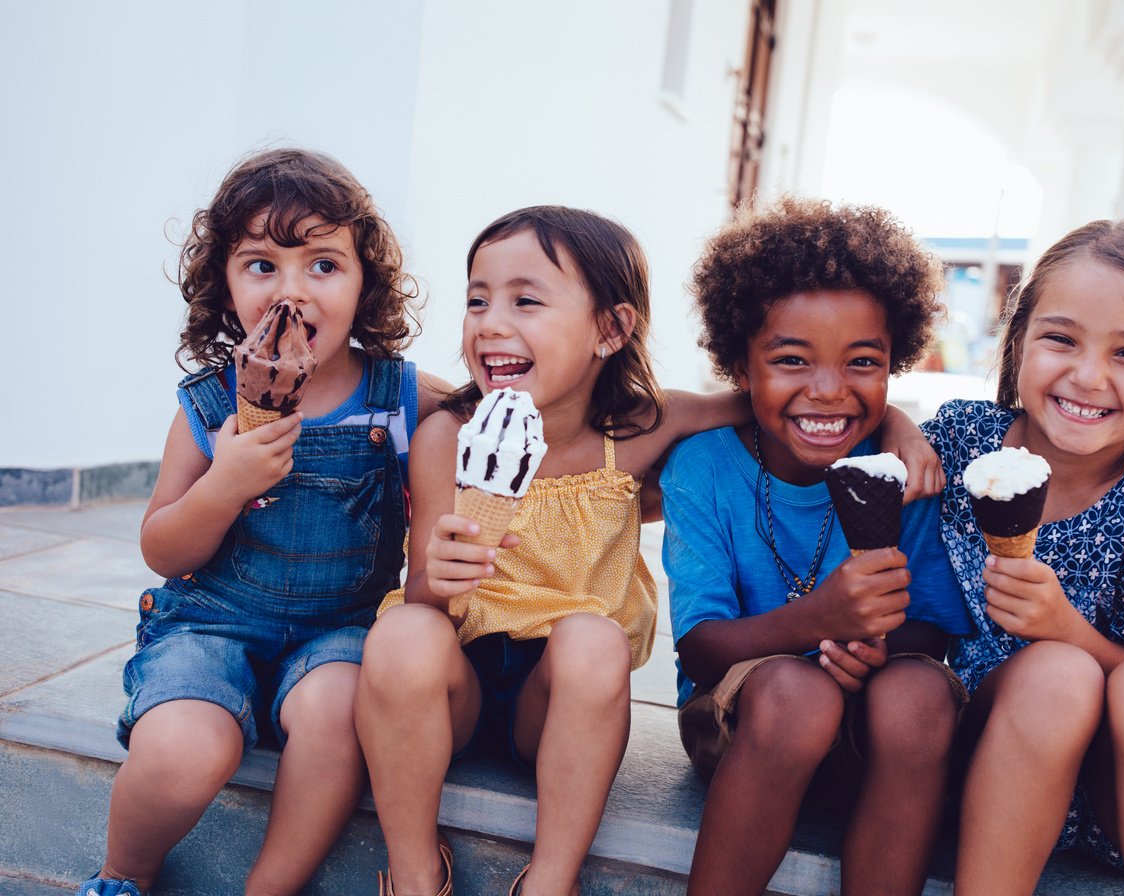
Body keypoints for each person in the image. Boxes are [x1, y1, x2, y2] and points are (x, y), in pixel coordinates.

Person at [354, 204, 941, 896]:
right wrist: (436, 580)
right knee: (402, 631)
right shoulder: (448, 439)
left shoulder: (641, 429)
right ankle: (415, 871)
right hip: (456, 692)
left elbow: (781, 396)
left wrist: (899, 424)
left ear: (611, 329)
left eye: (525, 300)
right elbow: (424, 590)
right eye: (477, 299)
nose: (490, 321)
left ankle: (549, 881)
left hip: (561, 702)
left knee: (595, 641)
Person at [80, 148, 448, 896]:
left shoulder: (399, 397)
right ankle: (122, 875)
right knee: (184, 749)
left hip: (338, 634)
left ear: (363, 281)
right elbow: (161, 546)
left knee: (342, 706)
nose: (292, 290)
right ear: (224, 285)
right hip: (208, 626)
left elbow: (506, 415)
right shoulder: (208, 404)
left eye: (322, 265)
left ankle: (268, 888)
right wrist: (225, 484)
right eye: (260, 265)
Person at [921, 220, 1124, 895]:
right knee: (1054, 677)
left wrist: (1067, 630)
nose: (1088, 375)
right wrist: (899, 429)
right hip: (981, 755)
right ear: (1018, 341)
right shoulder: (960, 442)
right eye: (1061, 338)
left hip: (1118, 793)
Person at [662, 196, 974, 896]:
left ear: (896, 364)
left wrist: (875, 652)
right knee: (797, 695)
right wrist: (818, 622)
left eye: (862, 362)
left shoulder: (907, 474)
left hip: (869, 732)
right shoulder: (704, 467)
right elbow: (701, 648)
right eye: (793, 359)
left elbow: (930, 629)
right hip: (748, 723)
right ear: (741, 365)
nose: (829, 391)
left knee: (923, 693)